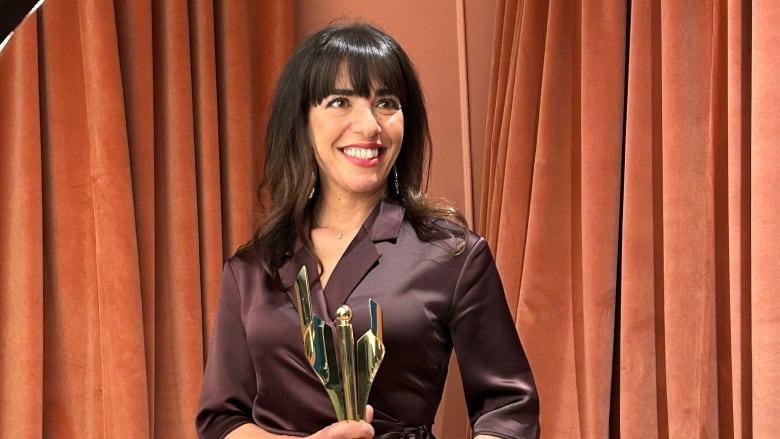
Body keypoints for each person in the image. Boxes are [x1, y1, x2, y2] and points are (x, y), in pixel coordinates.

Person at [196, 22, 540, 439]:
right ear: (302, 121)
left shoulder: (454, 255)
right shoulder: (251, 268)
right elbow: (222, 420)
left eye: (386, 103)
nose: (370, 126)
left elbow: (508, 409)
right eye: (340, 101)